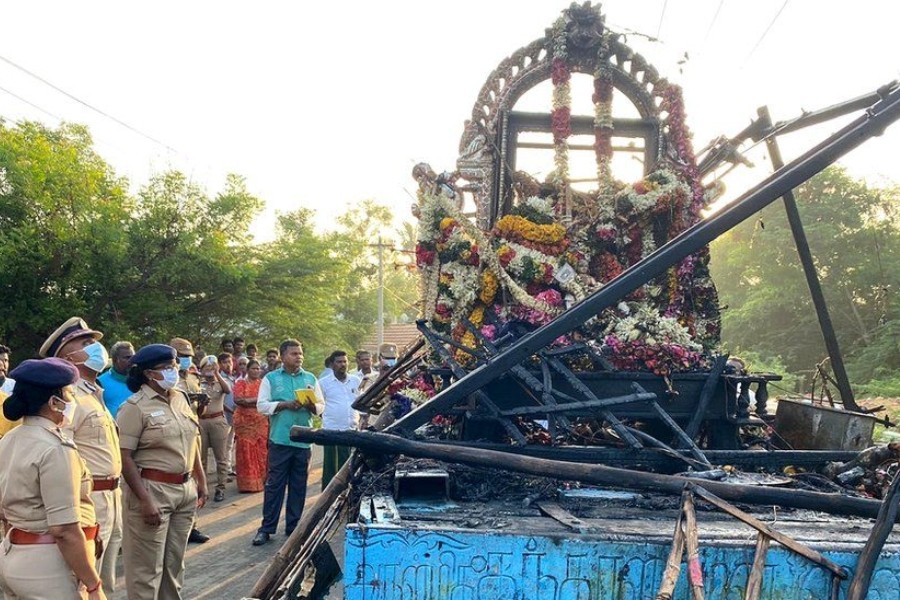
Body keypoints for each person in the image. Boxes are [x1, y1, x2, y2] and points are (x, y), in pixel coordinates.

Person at [0, 358, 106, 600]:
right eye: (69, 393)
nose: (73, 400)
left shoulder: (10, 439)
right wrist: (92, 584)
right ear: (54, 403)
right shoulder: (55, 448)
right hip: (49, 565)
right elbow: (64, 530)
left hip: (14, 554)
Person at [117, 344, 207, 600]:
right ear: (148, 374)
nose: (174, 371)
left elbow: (192, 440)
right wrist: (145, 499)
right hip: (152, 490)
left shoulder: (180, 398)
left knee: (174, 566)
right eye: (166, 367)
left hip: (184, 490)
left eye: (175, 365)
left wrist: (200, 478)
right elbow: (124, 458)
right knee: (146, 570)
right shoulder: (134, 407)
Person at [39, 317, 122, 592]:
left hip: (111, 496)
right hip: (88, 499)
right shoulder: (68, 397)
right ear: (67, 355)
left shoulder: (93, 391)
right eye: (86, 343)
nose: (97, 347)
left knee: (105, 581)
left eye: (95, 342)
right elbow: (62, 453)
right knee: (84, 584)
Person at [252, 339, 323, 546]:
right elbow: (261, 406)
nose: (299, 357)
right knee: (274, 486)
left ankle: (293, 528)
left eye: (300, 354)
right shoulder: (271, 379)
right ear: (283, 357)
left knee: (298, 486)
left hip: (303, 441)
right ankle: (266, 529)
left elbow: (321, 406)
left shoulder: (310, 378)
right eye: (294, 354)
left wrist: (312, 406)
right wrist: (284, 405)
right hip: (281, 440)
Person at [170, 337, 209, 544]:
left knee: (195, 476)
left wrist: (202, 402)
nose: (186, 360)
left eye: (188, 356)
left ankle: (192, 525)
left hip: (194, 432)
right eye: (182, 356)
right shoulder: (169, 379)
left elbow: (200, 412)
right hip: (174, 436)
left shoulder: (194, 377)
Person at [319, 350, 362, 487]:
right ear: (332, 364)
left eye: (345, 361)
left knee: (351, 467)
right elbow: (319, 406)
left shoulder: (355, 381)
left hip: (352, 429)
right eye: (339, 362)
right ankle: (328, 501)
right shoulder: (323, 383)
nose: (342, 364)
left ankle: (348, 498)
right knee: (332, 469)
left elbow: (360, 402)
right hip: (333, 431)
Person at [198, 356, 232, 503]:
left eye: (213, 367)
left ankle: (220, 488)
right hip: (202, 421)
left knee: (221, 458)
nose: (210, 370)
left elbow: (228, 390)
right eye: (207, 367)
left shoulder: (221, 383)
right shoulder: (198, 384)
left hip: (218, 421)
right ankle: (202, 488)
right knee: (201, 458)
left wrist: (217, 374)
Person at [232, 359, 268, 492]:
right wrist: (258, 401)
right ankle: (248, 485)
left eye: (258, 369)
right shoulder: (240, 383)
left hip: (261, 421)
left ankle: (263, 480)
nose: (256, 371)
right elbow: (238, 400)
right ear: (247, 370)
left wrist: (252, 401)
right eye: (253, 368)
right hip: (244, 422)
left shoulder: (263, 384)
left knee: (262, 450)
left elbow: (267, 401)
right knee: (246, 451)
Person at [98, 341, 135, 416]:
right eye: (127, 358)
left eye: (133, 357)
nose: (131, 361)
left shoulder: (141, 380)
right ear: (115, 360)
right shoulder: (100, 383)